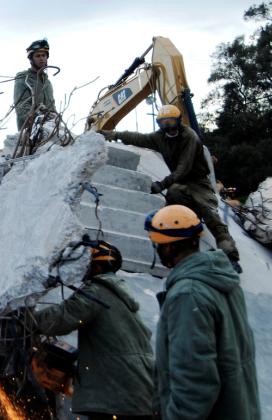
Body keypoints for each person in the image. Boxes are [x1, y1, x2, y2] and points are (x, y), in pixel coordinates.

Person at [144, 204, 260, 419]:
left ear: (169, 247)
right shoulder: (223, 280)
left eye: (158, 245)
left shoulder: (187, 294)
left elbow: (195, 382)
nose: (158, 251)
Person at [98, 104, 241, 272]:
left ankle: (230, 255)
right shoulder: (160, 138)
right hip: (179, 183)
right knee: (173, 195)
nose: (168, 127)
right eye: (163, 123)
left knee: (210, 212)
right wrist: (113, 134)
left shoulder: (190, 137)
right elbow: (138, 138)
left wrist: (162, 184)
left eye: (171, 122)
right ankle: (178, 235)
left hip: (198, 182)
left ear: (179, 121)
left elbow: (183, 168)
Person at [31, 241, 154, 420]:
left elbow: (62, 317)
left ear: (96, 266)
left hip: (115, 395)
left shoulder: (96, 292)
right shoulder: (117, 293)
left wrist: (27, 319)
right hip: (136, 392)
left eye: (86, 266)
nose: (83, 271)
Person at [13, 39, 56, 131]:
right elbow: (21, 108)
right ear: (31, 59)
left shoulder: (47, 83)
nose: (41, 58)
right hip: (30, 135)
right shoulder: (24, 79)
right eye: (38, 56)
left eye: (44, 55)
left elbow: (52, 108)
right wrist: (42, 118)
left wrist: (56, 120)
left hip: (50, 132)